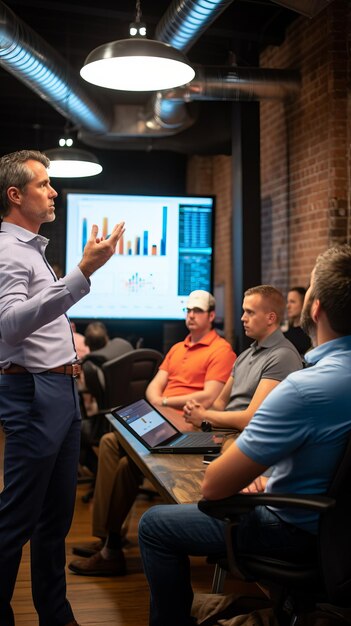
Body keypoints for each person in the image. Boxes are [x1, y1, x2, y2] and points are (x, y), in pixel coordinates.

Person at [138, 244, 351, 626]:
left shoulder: (304, 387)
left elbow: (215, 487)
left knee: (154, 524)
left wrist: (261, 478)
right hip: (340, 533)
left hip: (296, 531)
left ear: (315, 307)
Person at [0, 149, 125, 626]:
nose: (53, 192)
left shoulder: (32, 249)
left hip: (60, 393)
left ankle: (57, 614)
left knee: (54, 521)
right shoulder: (8, 251)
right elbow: (10, 325)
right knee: (17, 518)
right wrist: (83, 272)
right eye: (43, 184)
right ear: (15, 195)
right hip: (33, 393)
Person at [68, 289, 236, 576]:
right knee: (110, 441)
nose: (191, 316)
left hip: (185, 426)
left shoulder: (221, 350)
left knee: (124, 460)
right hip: (159, 420)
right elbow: (151, 388)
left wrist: (165, 401)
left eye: (198, 311)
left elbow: (208, 397)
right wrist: (159, 401)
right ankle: (108, 539)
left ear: (211, 316)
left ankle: (111, 546)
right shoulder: (177, 348)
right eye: (188, 310)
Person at [183, 285, 303, 433]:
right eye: (244, 311)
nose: (243, 318)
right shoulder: (245, 355)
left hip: (248, 439)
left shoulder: (283, 356)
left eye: (250, 312)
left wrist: (204, 416)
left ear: (270, 318)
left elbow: (251, 419)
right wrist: (198, 415)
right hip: (225, 434)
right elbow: (220, 403)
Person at [284, 286, 311, 355]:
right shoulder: (285, 333)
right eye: (288, 302)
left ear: (303, 304)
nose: (288, 306)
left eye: (292, 302)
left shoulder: (310, 334)